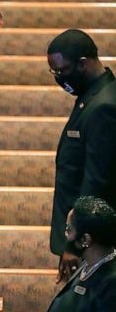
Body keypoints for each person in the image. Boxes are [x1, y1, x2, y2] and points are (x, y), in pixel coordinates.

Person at [47, 30, 116, 271]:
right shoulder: (93, 96)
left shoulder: (104, 106)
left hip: (91, 243)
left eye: (62, 71)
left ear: (83, 64)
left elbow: (96, 181)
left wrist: (75, 244)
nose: (58, 78)